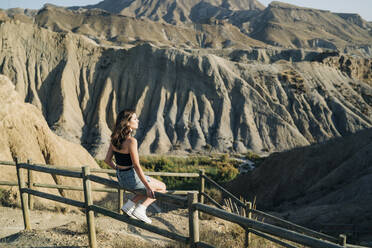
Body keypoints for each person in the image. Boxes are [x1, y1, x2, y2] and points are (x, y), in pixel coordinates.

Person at [104, 109, 166, 224]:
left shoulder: (114, 139)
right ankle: (141, 209)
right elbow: (136, 166)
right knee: (162, 187)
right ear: (127, 123)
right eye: (135, 118)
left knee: (145, 186)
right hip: (132, 179)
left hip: (121, 179)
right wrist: (148, 187)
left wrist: (118, 169)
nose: (138, 120)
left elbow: (107, 160)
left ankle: (129, 206)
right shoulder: (131, 141)